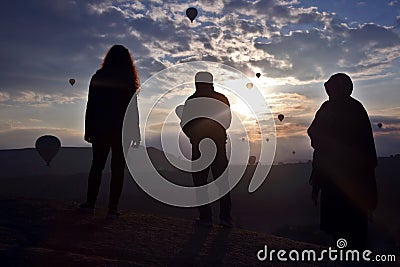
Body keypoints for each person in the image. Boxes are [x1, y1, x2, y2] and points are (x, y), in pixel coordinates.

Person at [308, 73, 378, 249]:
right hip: (346, 174)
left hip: (342, 173)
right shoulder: (353, 108)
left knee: (345, 217)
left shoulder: (333, 108)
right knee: (348, 217)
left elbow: (315, 133)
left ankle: (348, 251)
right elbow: (315, 133)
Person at [79, 45, 140, 217]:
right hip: (122, 130)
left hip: (101, 128)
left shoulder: (99, 77)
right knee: (118, 169)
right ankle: (113, 208)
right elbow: (132, 108)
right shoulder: (128, 80)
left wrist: (88, 128)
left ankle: (90, 203)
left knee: (97, 166)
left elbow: (91, 105)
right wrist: (135, 131)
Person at [180, 72, 233, 228]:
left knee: (200, 182)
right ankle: (225, 218)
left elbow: (185, 124)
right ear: (211, 83)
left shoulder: (191, 101)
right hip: (218, 145)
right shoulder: (222, 99)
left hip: (199, 146)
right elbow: (227, 121)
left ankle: (206, 217)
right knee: (222, 183)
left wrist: (193, 136)